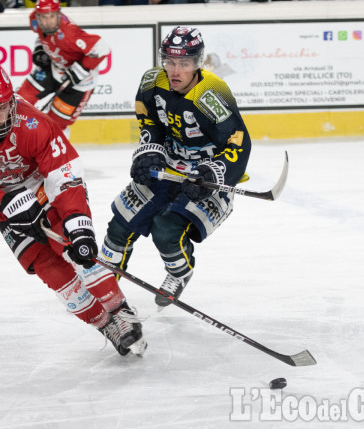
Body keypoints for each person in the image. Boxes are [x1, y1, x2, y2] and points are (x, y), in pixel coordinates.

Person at [0, 63, 146, 356]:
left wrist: (77, 223)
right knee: (48, 268)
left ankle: (120, 310)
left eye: (2, 107)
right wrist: (8, 207)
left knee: (77, 248)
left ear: (12, 101)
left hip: (43, 185)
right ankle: (103, 323)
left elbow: (64, 173)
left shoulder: (34, 122)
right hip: (4, 199)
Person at [92, 26, 251, 308]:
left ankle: (179, 273)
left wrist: (212, 174)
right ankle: (103, 281)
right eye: (170, 61)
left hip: (204, 176)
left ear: (197, 63)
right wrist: (148, 152)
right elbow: (150, 122)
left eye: (184, 63)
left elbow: (239, 144)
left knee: (166, 230)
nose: (175, 70)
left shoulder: (211, 93)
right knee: (119, 225)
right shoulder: (153, 82)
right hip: (168, 167)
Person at [16, 0, 109, 135]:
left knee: (55, 125)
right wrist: (40, 50)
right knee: (19, 102)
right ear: (37, 15)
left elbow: (102, 48)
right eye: (44, 17)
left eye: (52, 16)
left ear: (59, 14)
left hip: (80, 83)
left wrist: (79, 72)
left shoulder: (69, 33)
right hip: (54, 68)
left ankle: (56, 155)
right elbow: (42, 37)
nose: (48, 22)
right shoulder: (34, 20)